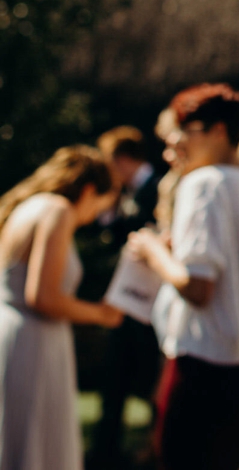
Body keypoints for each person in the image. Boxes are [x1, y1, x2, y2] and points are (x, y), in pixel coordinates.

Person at [127, 84, 239, 470]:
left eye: (186, 129)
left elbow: (198, 288)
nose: (177, 141)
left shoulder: (203, 184)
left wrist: (155, 253)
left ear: (218, 130)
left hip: (204, 361)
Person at [0, 146, 124, 470]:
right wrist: (101, 314)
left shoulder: (28, 206)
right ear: (87, 190)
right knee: (34, 443)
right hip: (34, 341)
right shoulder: (58, 210)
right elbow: (43, 297)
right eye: (100, 204)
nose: (94, 216)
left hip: (13, 333)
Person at [91, 127, 167, 469]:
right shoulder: (121, 192)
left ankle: (154, 449)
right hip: (124, 297)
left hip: (150, 300)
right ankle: (105, 450)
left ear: (122, 159)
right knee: (115, 375)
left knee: (151, 375)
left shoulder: (160, 187)